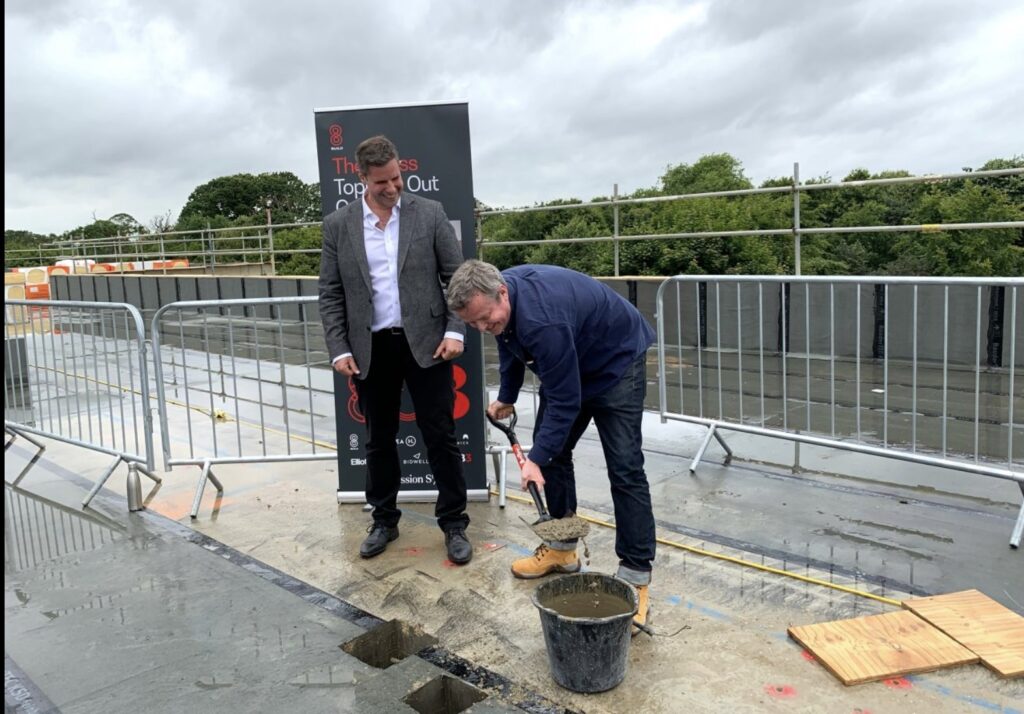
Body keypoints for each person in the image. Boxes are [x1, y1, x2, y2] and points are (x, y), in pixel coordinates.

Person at [447, 259, 657, 632]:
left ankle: (635, 577)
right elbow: (507, 339)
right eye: (474, 323)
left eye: (486, 318)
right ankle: (563, 550)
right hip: (574, 360)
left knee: (625, 468)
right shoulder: (499, 303)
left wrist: (536, 460)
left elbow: (565, 399)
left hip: (616, 363)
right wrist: (507, 395)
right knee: (555, 452)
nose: (482, 328)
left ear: (503, 293)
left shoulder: (543, 319)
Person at [318, 135, 472, 564]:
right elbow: (330, 293)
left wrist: (456, 330)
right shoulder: (338, 226)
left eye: (398, 178)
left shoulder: (430, 213)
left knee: (440, 436)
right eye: (382, 181)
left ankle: (454, 522)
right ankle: (384, 519)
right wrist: (337, 348)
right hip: (371, 348)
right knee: (378, 441)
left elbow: (458, 277)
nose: (393, 188)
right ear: (362, 177)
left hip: (427, 345)